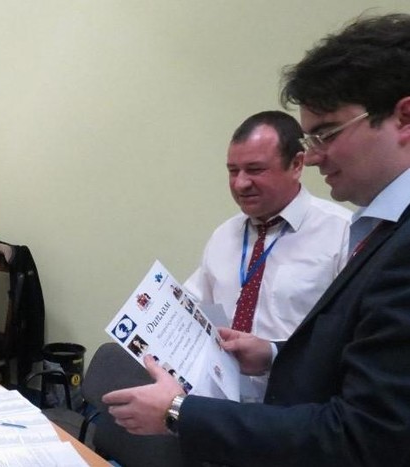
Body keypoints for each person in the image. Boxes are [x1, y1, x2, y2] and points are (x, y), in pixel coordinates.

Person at [103, 13, 410, 467]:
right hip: (242, 425)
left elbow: (368, 435)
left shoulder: (352, 234)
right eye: (233, 171)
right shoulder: (375, 229)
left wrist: (178, 412)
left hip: (290, 435)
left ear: (404, 117)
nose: (315, 157)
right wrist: (271, 354)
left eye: (327, 134)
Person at [183, 110, 351, 401]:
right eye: (233, 171)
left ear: (296, 164)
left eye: (255, 169)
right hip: (221, 406)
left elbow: (348, 340)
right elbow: (194, 306)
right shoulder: (224, 235)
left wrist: (273, 354)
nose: (240, 183)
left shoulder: (342, 233)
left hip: (299, 409)